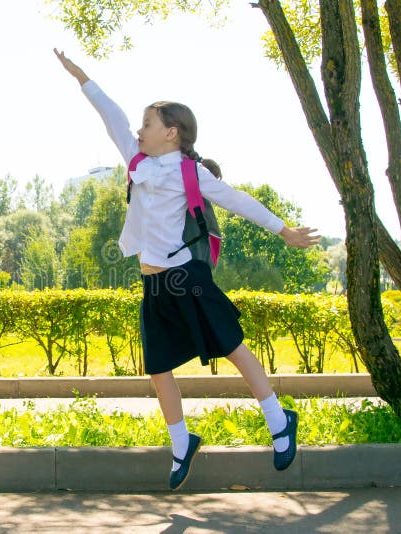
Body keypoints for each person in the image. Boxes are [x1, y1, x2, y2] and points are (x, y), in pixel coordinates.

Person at [54, 48, 321, 490]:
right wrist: (81, 76)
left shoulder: (190, 173)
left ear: (171, 133)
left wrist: (283, 230)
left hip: (186, 279)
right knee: (159, 365)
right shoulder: (136, 160)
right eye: (140, 126)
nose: (139, 131)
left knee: (232, 346)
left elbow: (237, 199)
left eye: (148, 125)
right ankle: (182, 442)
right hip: (153, 282)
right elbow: (111, 115)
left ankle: (278, 420)